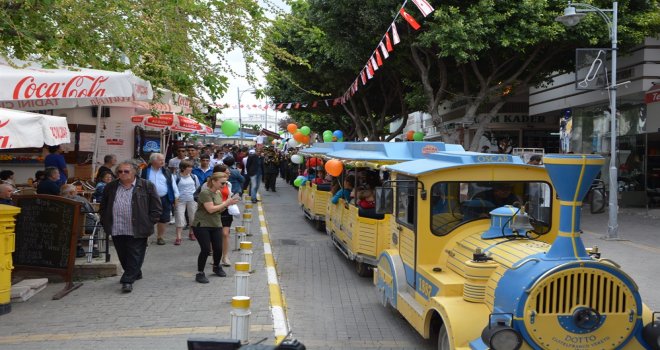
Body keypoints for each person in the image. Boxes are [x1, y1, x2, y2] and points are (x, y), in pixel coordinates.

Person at [99, 161, 162, 293]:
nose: (122, 174)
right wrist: (105, 221)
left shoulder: (146, 185)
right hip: (117, 227)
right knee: (123, 254)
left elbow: (156, 207)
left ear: (134, 172)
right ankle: (135, 272)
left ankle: (127, 280)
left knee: (135, 253)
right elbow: (103, 206)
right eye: (120, 171)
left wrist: (149, 222)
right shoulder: (111, 187)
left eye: (126, 171)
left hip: (138, 227)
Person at [191, 172, 239, 283]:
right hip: (202, 225)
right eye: (222, 183)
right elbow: (211, 209)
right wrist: (226, 202)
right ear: (214, 181)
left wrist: (228, 204)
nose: (224, 185)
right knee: (206, 249)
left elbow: (219, 209)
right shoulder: (205, 193)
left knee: (218, 248)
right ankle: (200, 273)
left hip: (216, 223)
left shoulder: (218, 193)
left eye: (225, 183)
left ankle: (217, 266)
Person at [141, 153, 179, 245]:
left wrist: (176, 197)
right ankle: (145, 238)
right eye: (160, 160)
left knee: (163, 219)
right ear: (153, 161)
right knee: (147, 218)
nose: (163, 162)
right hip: (149, 198)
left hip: (164, 198)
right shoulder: (145, 171)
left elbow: (173, 184)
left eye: (163, 160)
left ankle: (160, 237)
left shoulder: (167, 171)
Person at [175, 160, 200, 244]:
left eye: (191, 167)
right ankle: (178, 237)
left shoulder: (194, 177)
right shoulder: (176, 177)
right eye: (188, 167)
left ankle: (191, 233)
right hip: (180, 200)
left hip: (192, 199)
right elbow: (174, 188)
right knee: (179, 217)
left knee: (192, 217)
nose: (191, 168)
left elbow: (197, 188)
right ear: (183, 168)